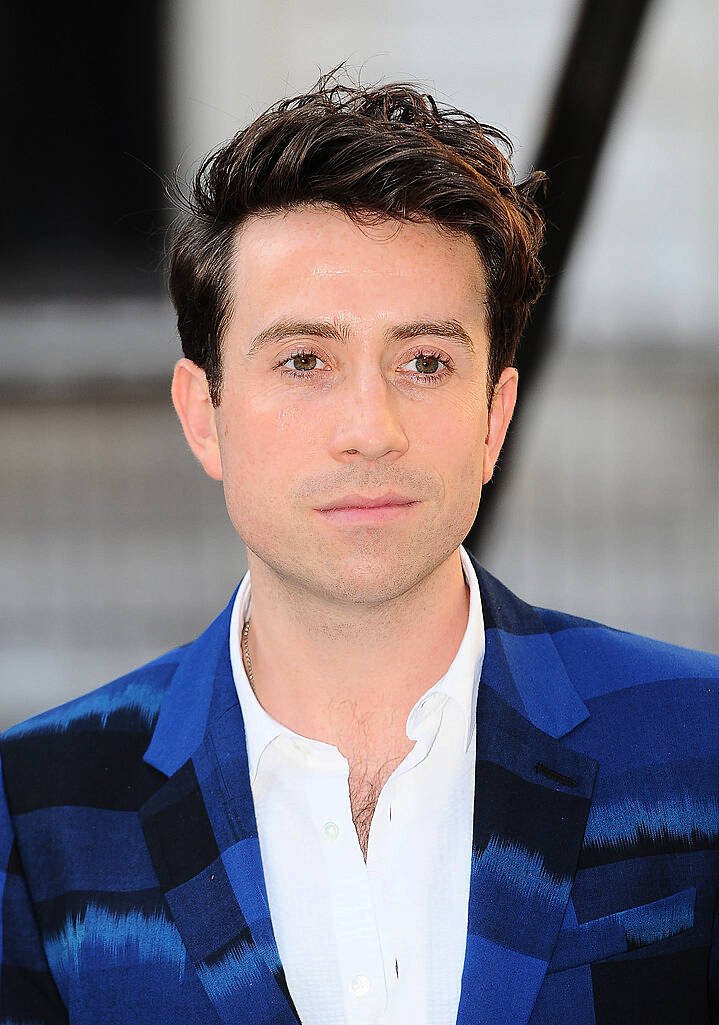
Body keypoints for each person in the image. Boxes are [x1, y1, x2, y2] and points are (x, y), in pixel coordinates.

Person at [1, 70, 716, 1025]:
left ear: (495, 416)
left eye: (425, 362)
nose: (370, 428)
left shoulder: (698, 744)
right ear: (202, 415)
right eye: (304, 360)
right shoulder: (35, 811)